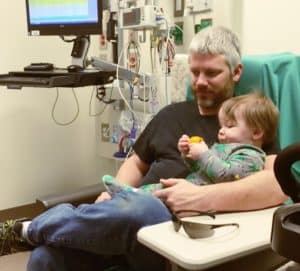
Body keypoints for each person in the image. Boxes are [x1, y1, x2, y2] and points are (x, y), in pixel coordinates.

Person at [0, 26, 288, 271]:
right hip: (124, 217)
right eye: (195, 72)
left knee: (142, 209)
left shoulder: (247, 126)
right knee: (45, 258)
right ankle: (29, 234)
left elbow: (275, 185)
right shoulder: (170, 114)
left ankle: (29, 229)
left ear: (236, 72)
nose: (200, 82)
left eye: (211, 73)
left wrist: (200, 197)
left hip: (169, 233)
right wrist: (110, 197)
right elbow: (137, 163)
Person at [103, 92, 279, 195]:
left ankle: (129, 196)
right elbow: (200, 170)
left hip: (196, 198)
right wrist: (189, 155)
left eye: (230, 126)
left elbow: (227, 175)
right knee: (155, 188)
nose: (222, 130)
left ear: (256, 132)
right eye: (222, 125)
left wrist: (204, 154)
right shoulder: (172, 114)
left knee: (157, 194)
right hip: (188, 185)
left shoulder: (251, 156)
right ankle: (127, 193)